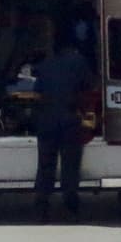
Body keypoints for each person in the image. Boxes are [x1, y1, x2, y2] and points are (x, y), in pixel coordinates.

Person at [32, 26, 95, 220]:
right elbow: (89, 86)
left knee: (45, 165)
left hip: (46, 122)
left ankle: (42, 205)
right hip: (70, 120)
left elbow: (38, 92)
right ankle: (70, 204)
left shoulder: (45, 65)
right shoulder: (79, 62)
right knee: (70, 164)